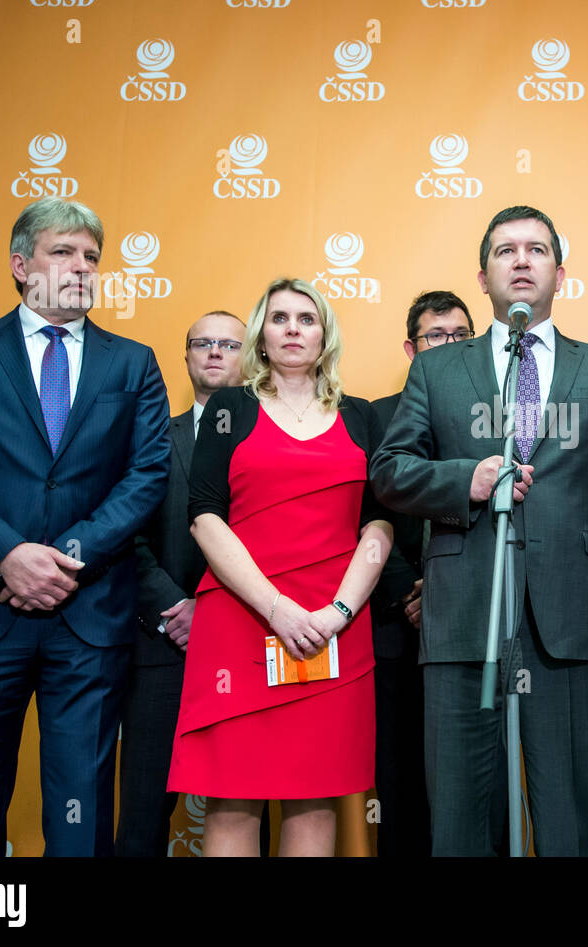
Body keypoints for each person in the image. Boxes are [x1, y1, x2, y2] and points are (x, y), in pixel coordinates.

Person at [371, 205, 588, 856]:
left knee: (568, 819)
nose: (520, 259)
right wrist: (466, 480)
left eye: (536, 249)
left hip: (565, 620)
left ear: (559, 273)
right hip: (462, 622)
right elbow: (390, 473)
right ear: (483, 276)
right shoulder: (436, 370)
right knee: (457, 823)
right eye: (505, 250)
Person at [0, 197, 171, 856]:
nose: (82, 267)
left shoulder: (132, 363)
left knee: (81, 820)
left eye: (92, 257)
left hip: (88, 614)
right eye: (63, 251)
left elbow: (147, 475)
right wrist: (7, 555)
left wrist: (63, 557)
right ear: (21, 265)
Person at [168, 278, 393, 857]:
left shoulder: (362, 416)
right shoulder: (229, 408)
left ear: (326, 335)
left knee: (315, 796)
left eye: (307, 318)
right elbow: (204, 517)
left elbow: (379, 526)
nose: (293, 329)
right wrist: (276, 607)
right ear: (261, 337)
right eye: (279, 318)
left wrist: (337, 613)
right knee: (233, 797)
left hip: (329, 628)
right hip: (243, 619)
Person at [115, 311, 247, 857]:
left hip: (247, 643)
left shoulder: (278, 440)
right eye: (203, 343)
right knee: (143, 811)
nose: (214, 352)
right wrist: (176, 607)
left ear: (251, 354)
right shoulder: (149, 439)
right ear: (187, 354)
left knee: (246, 804)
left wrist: (213, 609)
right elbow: (125, 536)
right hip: (161, 645)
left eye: (229, 343)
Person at [369, 290, 477, 857]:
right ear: (413, 348)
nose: (449, 346)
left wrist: (445, 590)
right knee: (402, 780)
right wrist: (410, 592)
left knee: (476, 781)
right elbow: (366, 515)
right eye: (437, 336)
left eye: (462, 335)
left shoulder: (494, 413)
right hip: (395, 627)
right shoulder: (374, 415)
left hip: (474, 623)